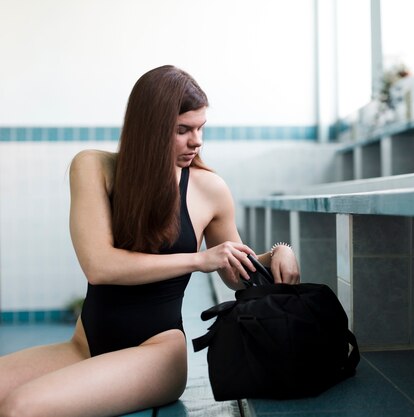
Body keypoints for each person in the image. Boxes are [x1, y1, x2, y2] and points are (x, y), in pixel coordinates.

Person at [0, 65, 300, 417]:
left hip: (157, 352)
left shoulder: (208, 188)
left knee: (22, 407)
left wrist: (280, 252)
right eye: (183, 130)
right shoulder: (94, 167)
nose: (197, 140)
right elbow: (100, 266)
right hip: (86, 345)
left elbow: (234, 272)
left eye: (201, 128)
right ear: (150, 129)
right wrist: (198, 260)